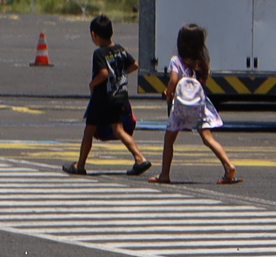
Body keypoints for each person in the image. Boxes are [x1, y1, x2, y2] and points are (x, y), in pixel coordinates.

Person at [155, 22, 240, 185]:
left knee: (169, 139)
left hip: (180, 108)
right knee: (207, 137)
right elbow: (203, 83)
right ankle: (228, 166)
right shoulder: (203, 62)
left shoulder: (176, 61)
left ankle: (164, 174)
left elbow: (173, 80)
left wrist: (168, 92)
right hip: (199, 107)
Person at [71, 14, 148, 178]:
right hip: (120, 95)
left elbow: (104, 73)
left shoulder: (100, 53)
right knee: (119, 130)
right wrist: (121, 75)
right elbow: (134, 64)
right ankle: (139, 158)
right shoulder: (119, 49)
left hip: (102, 98)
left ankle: (80, 164)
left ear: (94, 35)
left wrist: (93, 84)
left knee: (89, 131)